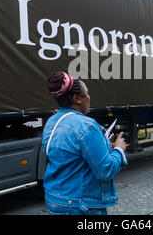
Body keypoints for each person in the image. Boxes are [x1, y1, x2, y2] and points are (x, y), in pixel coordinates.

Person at [41, 71, 127, 215]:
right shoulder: (86, 125)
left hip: (55, 201)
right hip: (81, 206)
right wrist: (119, 149)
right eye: (86, 93)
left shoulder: (52, 122)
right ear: (76, 98)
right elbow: (106, 170)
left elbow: (69, 156)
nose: (89, 97)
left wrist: (104, 144)